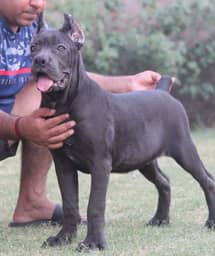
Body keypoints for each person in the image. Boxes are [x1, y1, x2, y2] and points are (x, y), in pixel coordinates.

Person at [0, 0, 166, 227]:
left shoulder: (31, 26)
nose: (37, 3)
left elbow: (64, 72)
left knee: (51, 101)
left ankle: (32, 203)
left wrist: (127, 84)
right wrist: (20, 126)